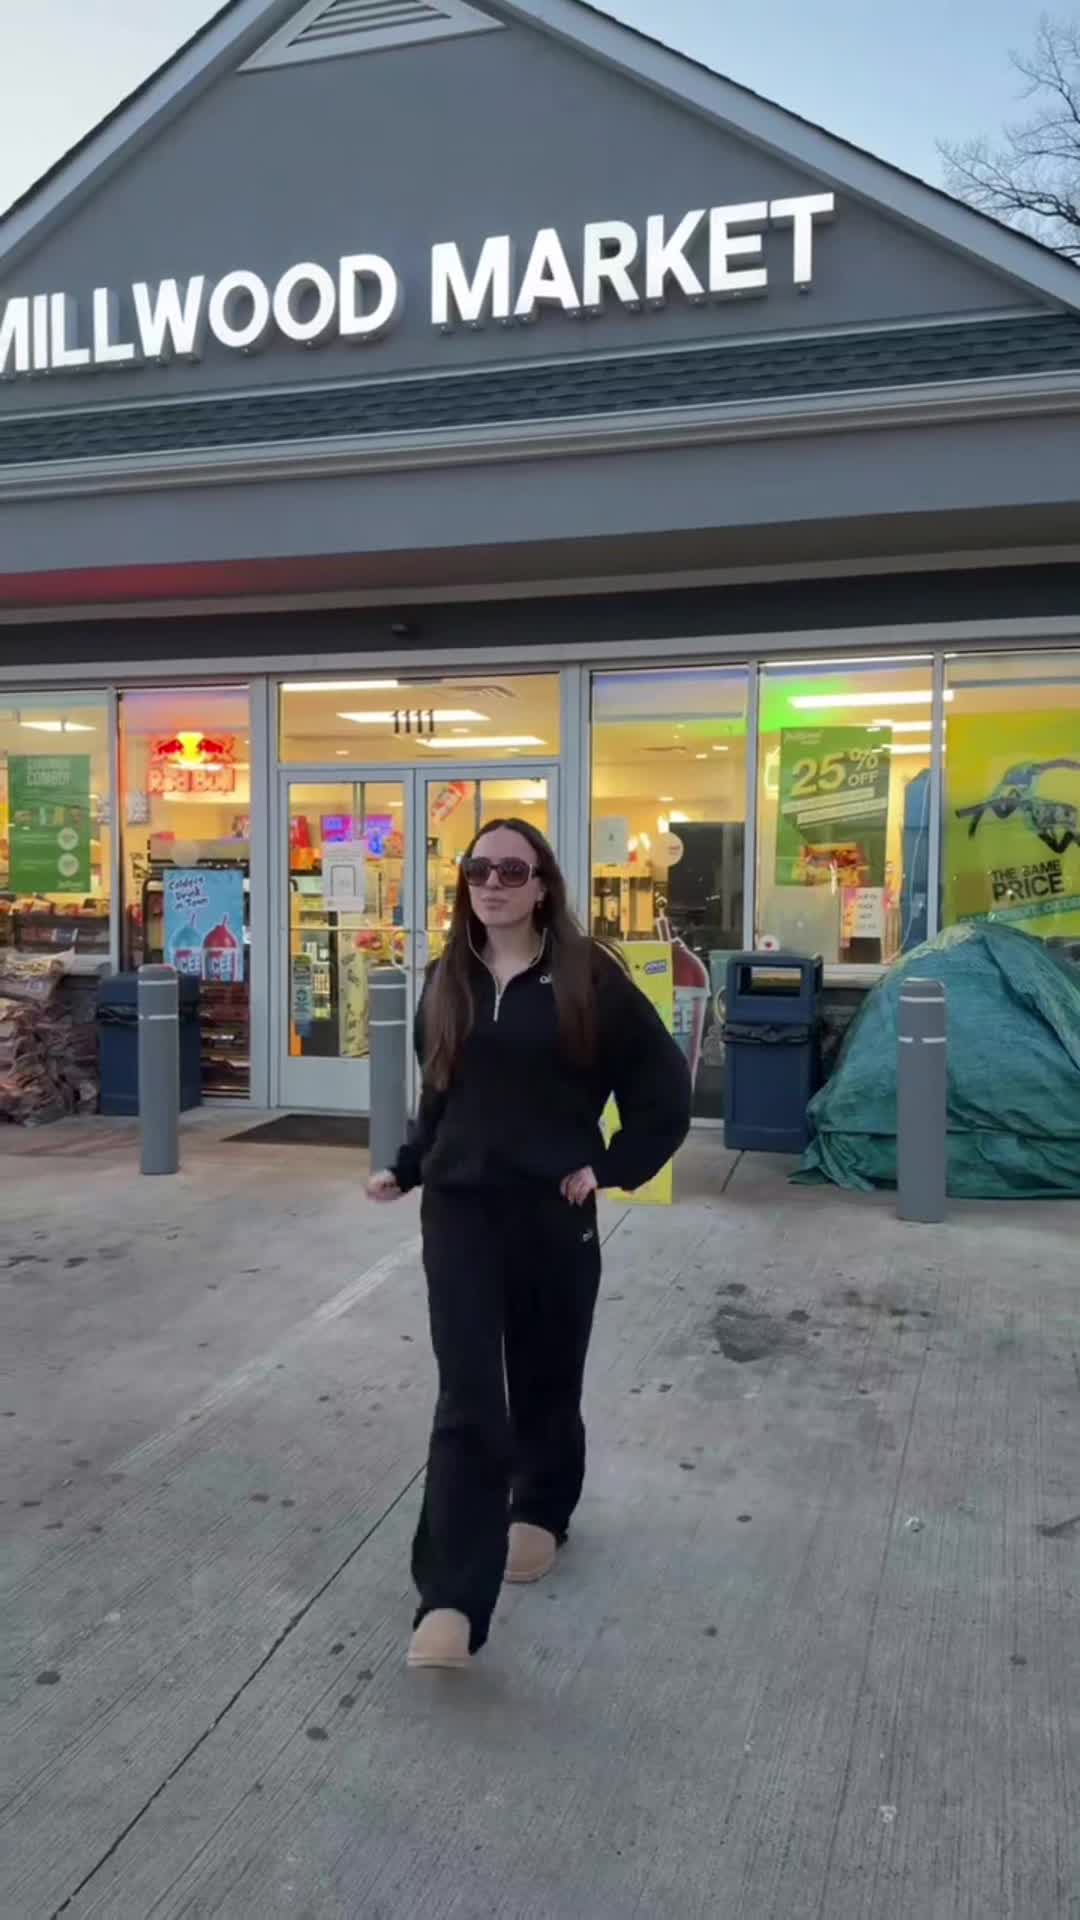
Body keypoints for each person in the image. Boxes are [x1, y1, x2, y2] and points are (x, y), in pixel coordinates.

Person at [367, 819, 691, 1670]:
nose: (493, 884)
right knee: (469, 1398)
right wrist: (410, 1165)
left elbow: (662, 1088)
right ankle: (450, 1597)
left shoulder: (589, 977)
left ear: (543, 883)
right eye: (479, 870)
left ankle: (542, 1506)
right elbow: (440, 1093)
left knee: (547, 1376)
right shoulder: (447, 980)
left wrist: (610, 1166)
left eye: (512, 870)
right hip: (462, 1214)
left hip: (553, 1210)